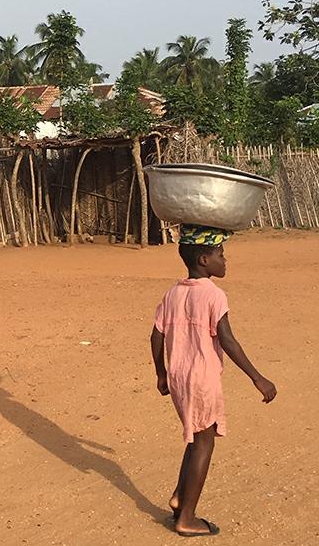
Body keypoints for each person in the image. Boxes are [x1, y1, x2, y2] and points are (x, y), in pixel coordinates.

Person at [150, 224, 277, 537]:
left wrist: (161, 373)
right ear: (204, 260)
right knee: (204, 442)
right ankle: (186, 519)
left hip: (179, 376)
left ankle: (181, 498)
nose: (225, 259)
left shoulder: (173, 292)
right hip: (202, 378)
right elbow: (228, 340)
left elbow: (156, 334)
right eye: (221, 254)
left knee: (195, 436)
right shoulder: (214, 295)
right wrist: (258, 378)